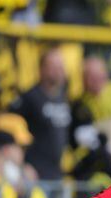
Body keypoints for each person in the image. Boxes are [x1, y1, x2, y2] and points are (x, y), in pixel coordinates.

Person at [8, 46, 72, 181]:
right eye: (53, 66)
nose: (59, 70)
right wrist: (21, 165)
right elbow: (8, 131)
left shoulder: (64, 98)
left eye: (60, 66)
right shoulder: (29, 98)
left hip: (57, 172)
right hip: (33, 173)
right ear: (41, 69)